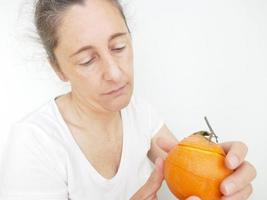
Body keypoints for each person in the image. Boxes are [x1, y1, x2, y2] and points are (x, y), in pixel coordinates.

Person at [0, 0, 256, 199]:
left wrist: (223, 180)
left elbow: (187, 171)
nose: (114, 73)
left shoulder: (140, 113)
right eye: (87, 60)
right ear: (58, 68)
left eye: (119, 47)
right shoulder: (34, 142)